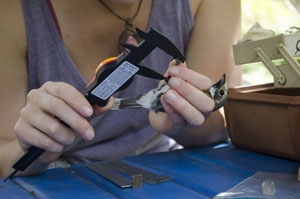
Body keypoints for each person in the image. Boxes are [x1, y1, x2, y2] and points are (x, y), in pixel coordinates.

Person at [0, 0, 241, 178]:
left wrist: (182, 124)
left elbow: (223, 125)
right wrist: (35, 148)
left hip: (170, 172)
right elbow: (5, 159)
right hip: (54, 178)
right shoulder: (12, 12)